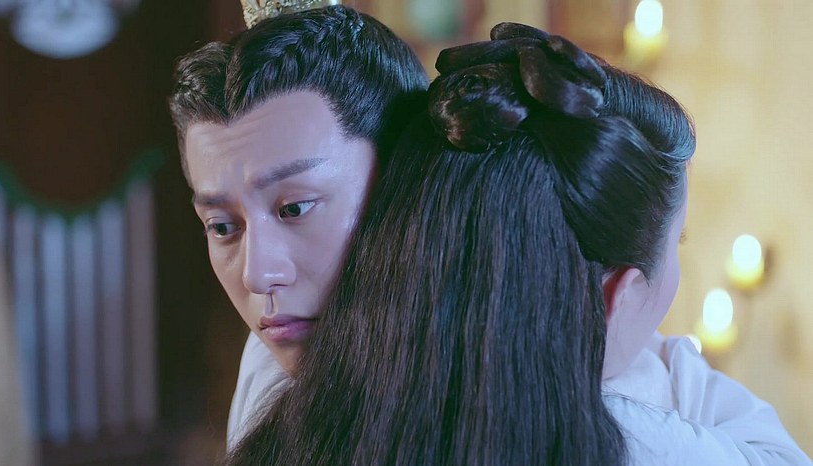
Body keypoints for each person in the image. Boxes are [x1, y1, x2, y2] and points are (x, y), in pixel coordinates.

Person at [224, 23, 811, 465]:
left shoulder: (284, 378)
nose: (259, 273)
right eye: (677, 241)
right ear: (614, 295)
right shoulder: (676, 405)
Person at [167, 4, 427, 447]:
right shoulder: (263, 372)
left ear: (401, 181)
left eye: (294, 209)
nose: (258, 275)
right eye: (223, 227)